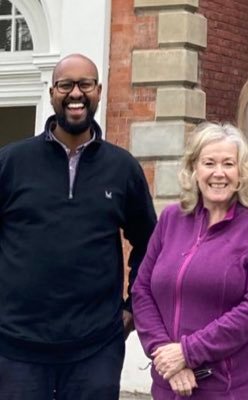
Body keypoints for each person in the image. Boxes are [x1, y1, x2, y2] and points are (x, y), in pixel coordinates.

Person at [0, 53, 157, 400]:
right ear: (52, 91)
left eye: (85, 84)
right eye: (66, 85)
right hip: (16, 348)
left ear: (98, 91)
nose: (76, 93)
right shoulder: (11, 162)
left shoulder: (122, 168)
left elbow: (150, 244)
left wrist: (132, 307)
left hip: (96, 347)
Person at [132, 122, 248, 399]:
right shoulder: (171, 219)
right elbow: (142, 290)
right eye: (209, 163)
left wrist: (188, 352)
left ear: (241, 172)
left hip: (231, 387)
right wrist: (169, 358)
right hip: (170, 384)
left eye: (228, 164)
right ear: (194, 169)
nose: (218, 173)